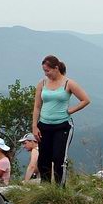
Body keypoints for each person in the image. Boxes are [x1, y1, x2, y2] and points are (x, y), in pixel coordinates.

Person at [32, 55, 90, 186]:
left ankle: (59, 189)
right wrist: (34, 126)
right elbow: (37, 106)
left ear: (56, 68)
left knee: (59, 158)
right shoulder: (42, 83)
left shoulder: (68, 83)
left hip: (62, 125)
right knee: (43, 158)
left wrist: (71, 110)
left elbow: (85, 100)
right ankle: (45, 187)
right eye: (44, 71)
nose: (46, 73)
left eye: (48, 70)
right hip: (44, 125)